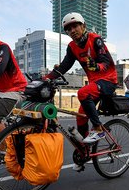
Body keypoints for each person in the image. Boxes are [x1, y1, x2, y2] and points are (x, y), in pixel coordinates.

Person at [45, 12, 117, 147]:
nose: (72, 31)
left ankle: (98, 129)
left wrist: (96, 66)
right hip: (94, 84)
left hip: (108, 80)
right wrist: (45, 79)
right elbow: (64, 66)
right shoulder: (72, 47)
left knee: (82, 93)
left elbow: (106, 62)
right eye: (68, 29)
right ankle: (84, 149)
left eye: (75, 26)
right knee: (80, 116)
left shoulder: (95, 40)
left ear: (83, 25)